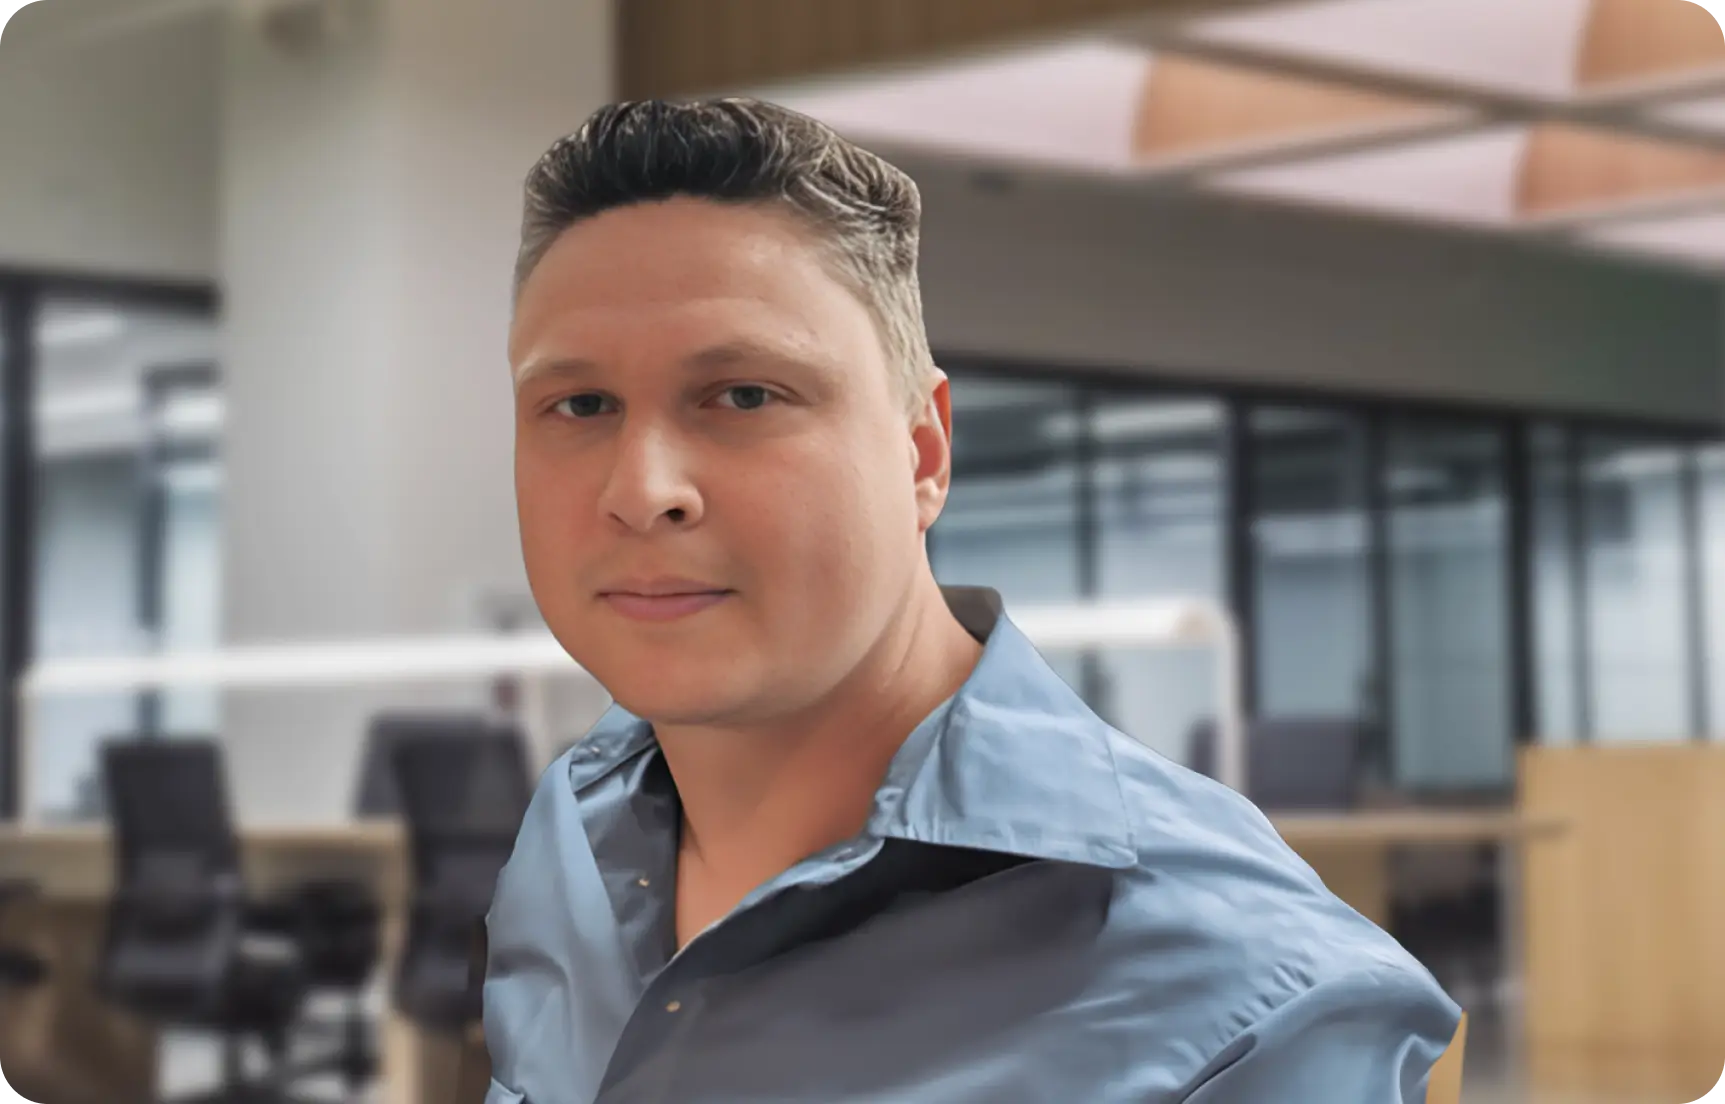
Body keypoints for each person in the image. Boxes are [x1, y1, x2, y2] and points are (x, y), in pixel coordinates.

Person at [474, 97, 1461, 1103]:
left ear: (922, 454)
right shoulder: (572, 829)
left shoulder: (1257, 1005)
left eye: (744, 395)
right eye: (580, 405)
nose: (642, 490)